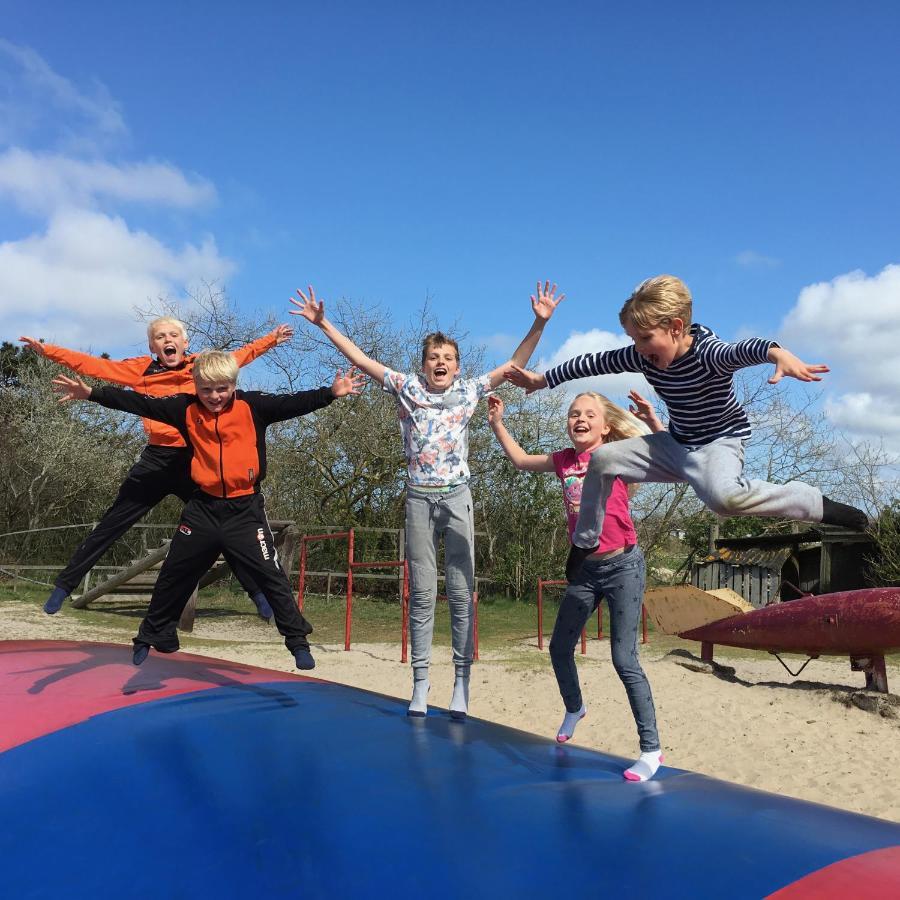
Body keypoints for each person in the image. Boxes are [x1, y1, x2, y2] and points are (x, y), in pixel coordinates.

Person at [290, 282, 562, 719]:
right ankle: (420, 682)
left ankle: (461, 683)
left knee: (460, 591)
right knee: (420, 594)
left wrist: (540, 322)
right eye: (433, 358)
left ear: (457, 367)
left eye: (448, 359)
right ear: (423, 365)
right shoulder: (405, 388)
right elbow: (360, 359)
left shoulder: (470, 391)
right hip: (418, 497)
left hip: (457, 497)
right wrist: (324, 324)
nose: (440, 363)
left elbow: (515, 364)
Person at [506, 275, 870, 580]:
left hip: (718, 445)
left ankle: (813, 503)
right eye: (633, 340)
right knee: (602, 459)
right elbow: (594, 362)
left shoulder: (708, 353)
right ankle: (585, 542)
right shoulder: (639, 355)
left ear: (676, 327)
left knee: (724, 500)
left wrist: (778, 354)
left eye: (645, 339)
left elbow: (745, 350)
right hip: (676, 444)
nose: (639, 349)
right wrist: (542, 380)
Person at [52, 350, 365, 669]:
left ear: (233, 384)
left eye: (222, 389)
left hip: (244, 511)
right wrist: (91, 393)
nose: (214, 397)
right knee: (174, 573)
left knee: (271, 576)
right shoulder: (184, 408)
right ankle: (151, 635)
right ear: (195, 386)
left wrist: (330, 393)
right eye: (206, 390)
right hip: (202, 508)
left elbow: (293, 402)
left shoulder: (252, 405)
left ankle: (297, 641)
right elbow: (138, 403)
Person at [21, 318, 291, 619]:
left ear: (185, 342)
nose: (167, 340)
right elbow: (93, 366)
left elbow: (240, 357)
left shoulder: (202, 367)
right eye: (160, 337)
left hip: (195, 459)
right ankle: (64, 585)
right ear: (153, 347)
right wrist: (47, 350)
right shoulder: (139, 369)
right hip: (156, 460)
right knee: (114, 521)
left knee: (224, 524)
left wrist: (270, 339)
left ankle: (258, 594)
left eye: (173, 335)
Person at [488, 388, 665, 781]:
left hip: (623, 567)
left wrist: (653, 422)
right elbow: (520, 461)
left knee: (624, 659)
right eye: (573, 414)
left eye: (588, 414)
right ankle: (575, 707)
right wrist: (498, 423)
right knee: (558, 648)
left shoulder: (619, 457)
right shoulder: (564, 461)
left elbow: (670, 459)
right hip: (585, 570)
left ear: (605, 426)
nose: (579, 419)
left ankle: (651, 750)